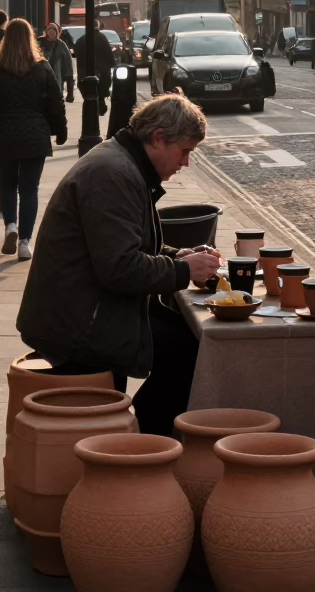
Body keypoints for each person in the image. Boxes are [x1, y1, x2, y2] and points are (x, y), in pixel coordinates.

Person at [17, 94, 221, 435]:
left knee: (187, 343)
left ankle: (135, 438)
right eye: (184, 151)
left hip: (87, 305)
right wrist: (184, 272)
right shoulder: (114, 174)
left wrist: (176, 256)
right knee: (191, 353)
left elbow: (125, 246)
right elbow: (120, 268)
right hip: (81, 321)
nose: (185, 162)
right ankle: (139, 446)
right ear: (157, 138)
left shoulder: (123, 162)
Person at [0, 19, 67, 263]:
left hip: (3, 133)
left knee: (6, 185)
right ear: (30, 38)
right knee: (29, 189)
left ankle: (10, 226)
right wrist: (60, 130)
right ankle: (25, 242)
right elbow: (55, 103)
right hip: (35, 133)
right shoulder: (42, 67)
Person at [74, 19, 115, 115]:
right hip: (102, 72)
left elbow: (76, 52)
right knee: (101, 89)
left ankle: (92, 107)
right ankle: (100, 102)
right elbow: (109, 54)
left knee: (88, 93)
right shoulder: (102, 38)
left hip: (85, 72)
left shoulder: (82, 39)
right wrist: (112, 63)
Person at [38, 22, 75, 102]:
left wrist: (70, 92)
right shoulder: (40, 43)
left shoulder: (61, 45)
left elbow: (68, 68)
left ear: (57, 33)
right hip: (40, 81)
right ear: (46, 32)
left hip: (57, 80)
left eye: (53, 30)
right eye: (49, 30)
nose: (51, 33)